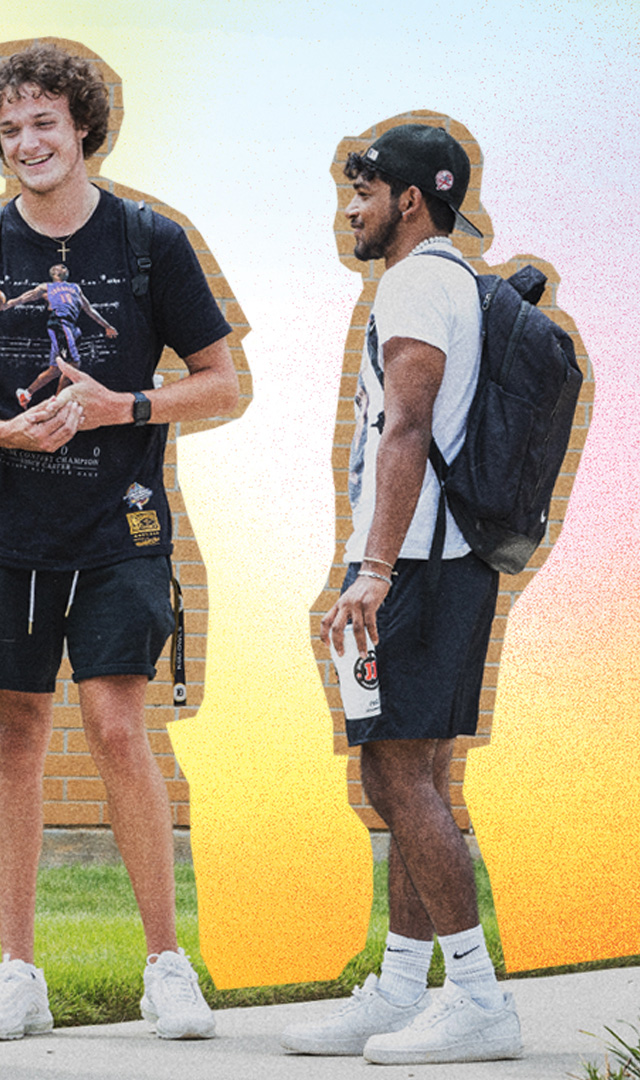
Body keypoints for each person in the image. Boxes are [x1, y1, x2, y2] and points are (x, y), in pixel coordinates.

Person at [0, 41, 240, 1041]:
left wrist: (122, 404)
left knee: (118, 724)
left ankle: (167, 965)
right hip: (2, 524)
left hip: (119, 519)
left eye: (44, 123)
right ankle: (16, 970)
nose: (27, 144)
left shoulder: (149, 241)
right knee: (13, 734)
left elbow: (222, 383)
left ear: (84, 125)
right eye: (9, 131)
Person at [280, 123, 524, 1065]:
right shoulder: (445, 276)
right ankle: (398, 990)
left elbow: (408, 427)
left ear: (411, 198)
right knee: (414, 773)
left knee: (392, 772)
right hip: (436, 561)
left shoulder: (420, 279)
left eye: (364, 192)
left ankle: (476, 998)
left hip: (416, 565)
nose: (351, 208)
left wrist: (372, 569)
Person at [0, 262, 118, 407]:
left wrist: (107, 326)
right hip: (60, 323)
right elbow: (25, 297)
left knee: (55, 370)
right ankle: (58, 403)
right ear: (52, 272)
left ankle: (26, 392)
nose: (62, 267)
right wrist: (7, 304)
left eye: (64, 266)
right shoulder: (46, 287)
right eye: (59, 266)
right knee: (73, 364)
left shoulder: (75, 288)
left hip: (70, 326)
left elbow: (89, 309)